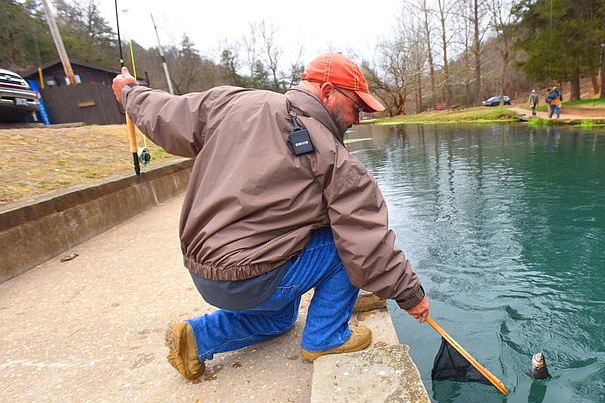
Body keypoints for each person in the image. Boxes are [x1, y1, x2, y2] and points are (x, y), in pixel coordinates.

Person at [112, 52, 430, 380]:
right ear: (327, 92)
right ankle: (326, 337)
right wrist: (412, 296)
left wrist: (129, 91)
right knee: (345, 244)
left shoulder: (232, 102)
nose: (358, 119)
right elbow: (368, 244)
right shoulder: (333, 157)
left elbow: (162, 112)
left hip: (205, 274)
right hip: (252, 277)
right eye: (356, 107)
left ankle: (197, 337)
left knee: (281, 318)